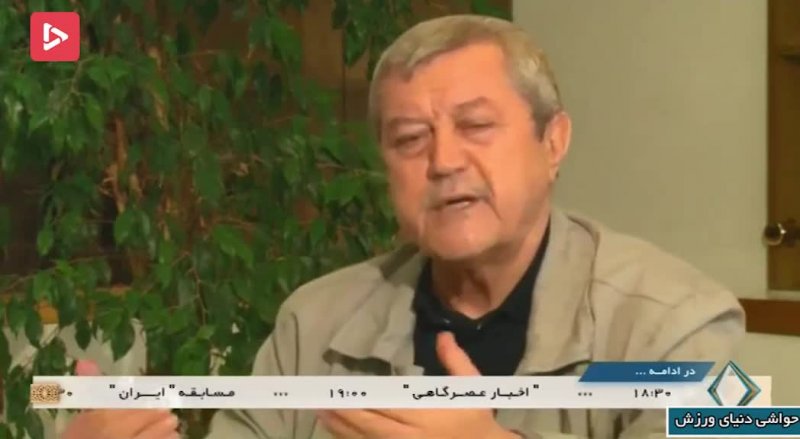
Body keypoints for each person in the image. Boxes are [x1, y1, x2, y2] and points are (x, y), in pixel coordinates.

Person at [61, 14, 745, 439]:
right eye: (410, 139)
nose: (444, 161)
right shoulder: (316, 323)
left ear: (553, 141)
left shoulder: (675, 325)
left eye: (476, 126)